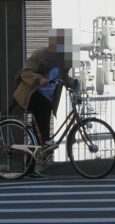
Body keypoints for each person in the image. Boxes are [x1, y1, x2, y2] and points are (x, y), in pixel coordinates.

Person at [12, 29, 76, 178]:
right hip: (32, 94)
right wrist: (38, 79)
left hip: (46, 98)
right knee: (43, 125)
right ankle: (46, 143)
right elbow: (25, 72)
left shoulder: (63, 59)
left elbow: (63, 76)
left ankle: (31, 168)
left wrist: (72, 83)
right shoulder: (40, 55)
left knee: (38, 134)